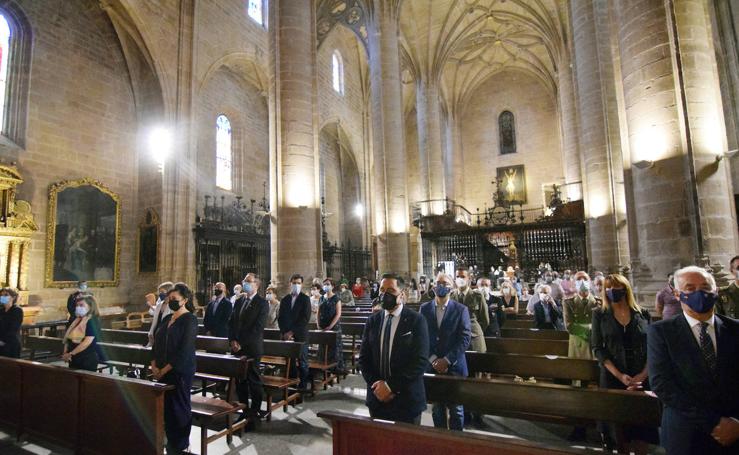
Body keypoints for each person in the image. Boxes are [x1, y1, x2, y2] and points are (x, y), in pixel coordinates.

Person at [648, 266, 739, 454]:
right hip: (686, 433)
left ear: (716, 291)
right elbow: (662, 384)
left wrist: (736, 422)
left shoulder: (735, 329)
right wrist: (713, 423)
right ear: (677, 294)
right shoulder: (661, 332)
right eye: (690, 288)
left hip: (735, 430)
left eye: (705, 287)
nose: (699, 293)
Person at [591, 274, 656, 453]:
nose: (612, 291)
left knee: (642, 429)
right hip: (613, 376)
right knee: (619, 430)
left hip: (641, 376)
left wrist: (643, 375)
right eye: (609, 288)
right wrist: (620, 375)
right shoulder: (599, 314)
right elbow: (597, 348)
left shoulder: (642, 313)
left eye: (617, 287)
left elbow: (652, 346)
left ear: (625, 289)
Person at [359, 273, 429, 424]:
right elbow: (364, 358)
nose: (385, 295)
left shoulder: (416, 320)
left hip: (406, 399)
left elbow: (420, 360)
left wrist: (390, 386)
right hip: (377, 398)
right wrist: (377, 387)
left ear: (401, 295)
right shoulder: (373, 321)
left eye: (390, 291)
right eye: (382, 290)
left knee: (407, 445)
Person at [420, 273, 471, 431]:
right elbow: (422, 337)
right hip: (433, 366)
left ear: (452, 287)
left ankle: (457, 442)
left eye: (445, 282)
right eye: (438, 282)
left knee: (456, 409)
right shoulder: (425, 308)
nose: (440, 285)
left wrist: (447, 360)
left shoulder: (461, 309)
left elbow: (464, 339)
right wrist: (434, 360)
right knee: (437, 408)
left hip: (454, 367)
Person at [150, 282, 197, 455]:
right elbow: (157, 342)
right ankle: (171, 443)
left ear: (184, 300)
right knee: (167, 409)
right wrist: (154, 364)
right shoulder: (166, 319)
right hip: (162, 369)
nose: (170, 301)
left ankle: (182, 444)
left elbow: (184, 350)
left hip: (180, 371)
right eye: (169, 298)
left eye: (174, 299)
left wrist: (165, 369)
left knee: (179, 408)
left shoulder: (190, 320)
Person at [228, 273, 268, 425]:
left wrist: (241, 343)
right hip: (237, 347)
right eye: (244, 281)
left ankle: (255, 410)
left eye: (248, 281)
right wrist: (232, 340)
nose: (245, 283)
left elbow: (257, 328)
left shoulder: (262, 303)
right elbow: (231, 322)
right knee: (240, 381)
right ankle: (244, 409)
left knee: (253, 379)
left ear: (256, 285)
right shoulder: (239, 301)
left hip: (251, 347)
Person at [278, 274, 313, 391]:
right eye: (294, 283)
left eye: (298, 283)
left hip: (300, 334)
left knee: (302, 360)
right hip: (286, 334)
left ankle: (303, 384)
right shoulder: (285, 299)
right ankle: (292, 383)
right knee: (290, 361)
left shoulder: (305, 299)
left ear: (301, 285)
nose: (296, 285)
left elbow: (305, 318)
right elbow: (281, 317)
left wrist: (292, 332)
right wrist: (284, 332)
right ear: (290, 284)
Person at [450, 267, 489, 352]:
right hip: (455, 340)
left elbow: (485, 320)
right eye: (457, 277)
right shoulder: (450, 296)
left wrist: (474, 330)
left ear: (469, 279)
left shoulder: (477, 296)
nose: (460, 279)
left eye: (463, 277)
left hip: (474, 338)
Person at [563, 271, 599, 359]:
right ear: (574, 284)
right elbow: (569, 326)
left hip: (596, 345)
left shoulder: (599, 302)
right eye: (578, 279)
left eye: (585, 279)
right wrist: (591, 328)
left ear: (590, 282)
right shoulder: (568, 303)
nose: (582, 281)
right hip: (578, 346)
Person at [62, 294, 101, 371]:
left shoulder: (92, 321)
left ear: (90, 306)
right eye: (77, 305)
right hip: (74, 357)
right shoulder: (77, 320)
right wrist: (65, 352)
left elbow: (87, 341)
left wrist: (71, 353)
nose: (78, 307)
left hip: (86, 358)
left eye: (81, 305)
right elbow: (68, 337)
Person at [317, 278, 345, 374]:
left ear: (332, 286)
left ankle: (335, 368)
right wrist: (318, 324)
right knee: (323, 347)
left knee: (334, 347)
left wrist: (330, 326)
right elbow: (318, 312)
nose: (326, 286)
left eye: (328, 284)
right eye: (324, 284)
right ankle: (324, 366)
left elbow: (338, 314)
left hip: (334, 326)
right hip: (323, 325)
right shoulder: (321, 298)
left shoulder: (336, 298)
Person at [147, 281, 175, 347]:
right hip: (156, 332)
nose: (160, 294)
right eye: (160, 292)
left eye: (162, 292)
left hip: (166, 334)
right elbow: (155, 318)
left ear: (169, 292)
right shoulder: (159, 304)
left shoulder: (173, 306)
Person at [0, 288, 23, 358]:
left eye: (6, 295)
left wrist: (3, 341)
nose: (2, 297)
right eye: (1, 295)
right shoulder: (1, 310)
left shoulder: (17, 310)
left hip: (11, 344)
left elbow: (13, 329)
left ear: (13, 297)